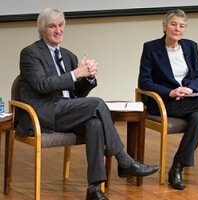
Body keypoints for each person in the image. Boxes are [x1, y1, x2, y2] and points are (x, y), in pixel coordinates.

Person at [17, 8, 159, 200]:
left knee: (95, 123)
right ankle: (124, 160)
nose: (58, 30)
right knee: (98, 104)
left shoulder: (67, 55)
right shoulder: (30, 53)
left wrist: (89, 77)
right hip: (44, 113)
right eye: (52, 27)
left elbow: (77, 93)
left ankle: (94, 189)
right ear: (42, 31)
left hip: (66, 111)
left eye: (60, 25)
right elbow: (42, 85)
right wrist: (77, 73)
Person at [138, 9, 198, 190]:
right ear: (164, 26)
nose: (177, 29)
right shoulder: (151, 48)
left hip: (189, 99)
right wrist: (171, 92)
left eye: (181, 26)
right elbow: (144, 81)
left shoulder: (191, 46)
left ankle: (176, 168)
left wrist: (190, 89)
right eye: (173, 24)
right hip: (165, 102)